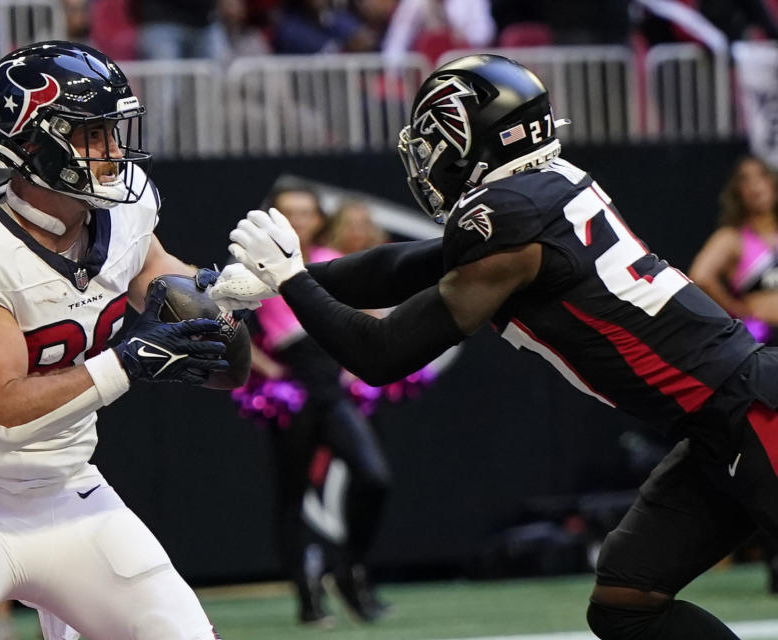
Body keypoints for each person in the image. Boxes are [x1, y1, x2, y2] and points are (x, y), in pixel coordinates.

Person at [214, 53, 778, 639]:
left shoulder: (508, 215)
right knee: (628, 599)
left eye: (433, 141)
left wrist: (292, 282)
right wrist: (274, 280)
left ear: (470, 138)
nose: (427, 158)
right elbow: (405, 263)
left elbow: (381, 353)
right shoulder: (543, 189)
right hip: (719, 422)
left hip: (753, 412)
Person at [0, 40, 246, 640]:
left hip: (69, 489)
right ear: (31, 141)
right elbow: (3, 412)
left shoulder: (126, 211)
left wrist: (239, 295)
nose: (113, 152)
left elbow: (204, 335)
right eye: (91, 134)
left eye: (113, 131)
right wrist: (127, 363)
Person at [234, 183, 392, 626]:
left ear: (319, 219)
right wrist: (265, 367)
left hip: (331, 384)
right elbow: (226, 319)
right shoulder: (253, 264)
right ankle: (308, 600)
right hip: (293, 386)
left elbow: (368, 312)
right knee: (291, 495)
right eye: (289, 213)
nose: (299, 221)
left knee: (374, 477)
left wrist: (358, 361)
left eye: (306, 213)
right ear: (274, 217)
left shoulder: (328, 258)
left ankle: (348, 569)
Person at [690, 156, 778, 345]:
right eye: (745, 180)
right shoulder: (732, 238)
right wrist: (736, 310)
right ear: (738, 192)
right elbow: (700, 276)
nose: (755, 187)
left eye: (762, 177)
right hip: (764, 340)